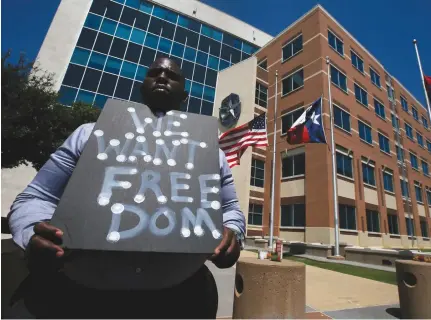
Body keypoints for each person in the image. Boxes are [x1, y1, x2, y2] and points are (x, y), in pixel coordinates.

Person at [7, 57, 246, 319]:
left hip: (182, 300)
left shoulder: (212, 152)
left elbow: (230, 208)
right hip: (72, 297)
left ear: (185, 94)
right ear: (142, 86)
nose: (162, 77)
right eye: (154, 72)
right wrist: (32, 232)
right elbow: (36, 197)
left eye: (172, 76)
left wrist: (232, 233)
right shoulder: (89, 134)